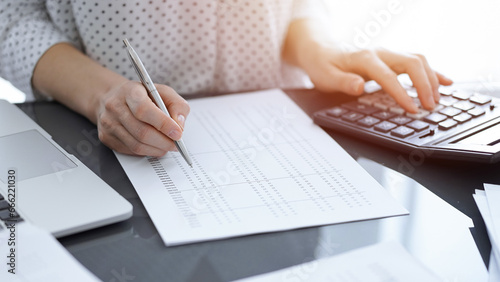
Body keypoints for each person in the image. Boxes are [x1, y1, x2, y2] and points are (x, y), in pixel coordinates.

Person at [0, 0, 452, 157]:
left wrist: (318, 49)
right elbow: (11, 18)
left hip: (283, 133)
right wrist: (103, 96)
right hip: (97, 139)